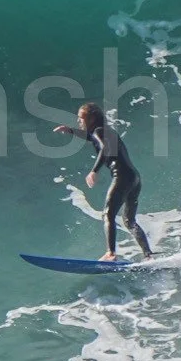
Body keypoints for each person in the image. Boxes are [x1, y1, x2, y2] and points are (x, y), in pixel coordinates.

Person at [53, 102, 153, 260]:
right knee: (129, 221)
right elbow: (91, 138)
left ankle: (111, 253)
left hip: (122, 177)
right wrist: (71, 131)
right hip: (134, 178)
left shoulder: (100, 132)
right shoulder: (105, 131)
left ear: (91, 118)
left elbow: (105, 148)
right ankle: (148, 255)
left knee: (108, 214)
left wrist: (94, 171)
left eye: (81, 118)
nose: (79, 120)